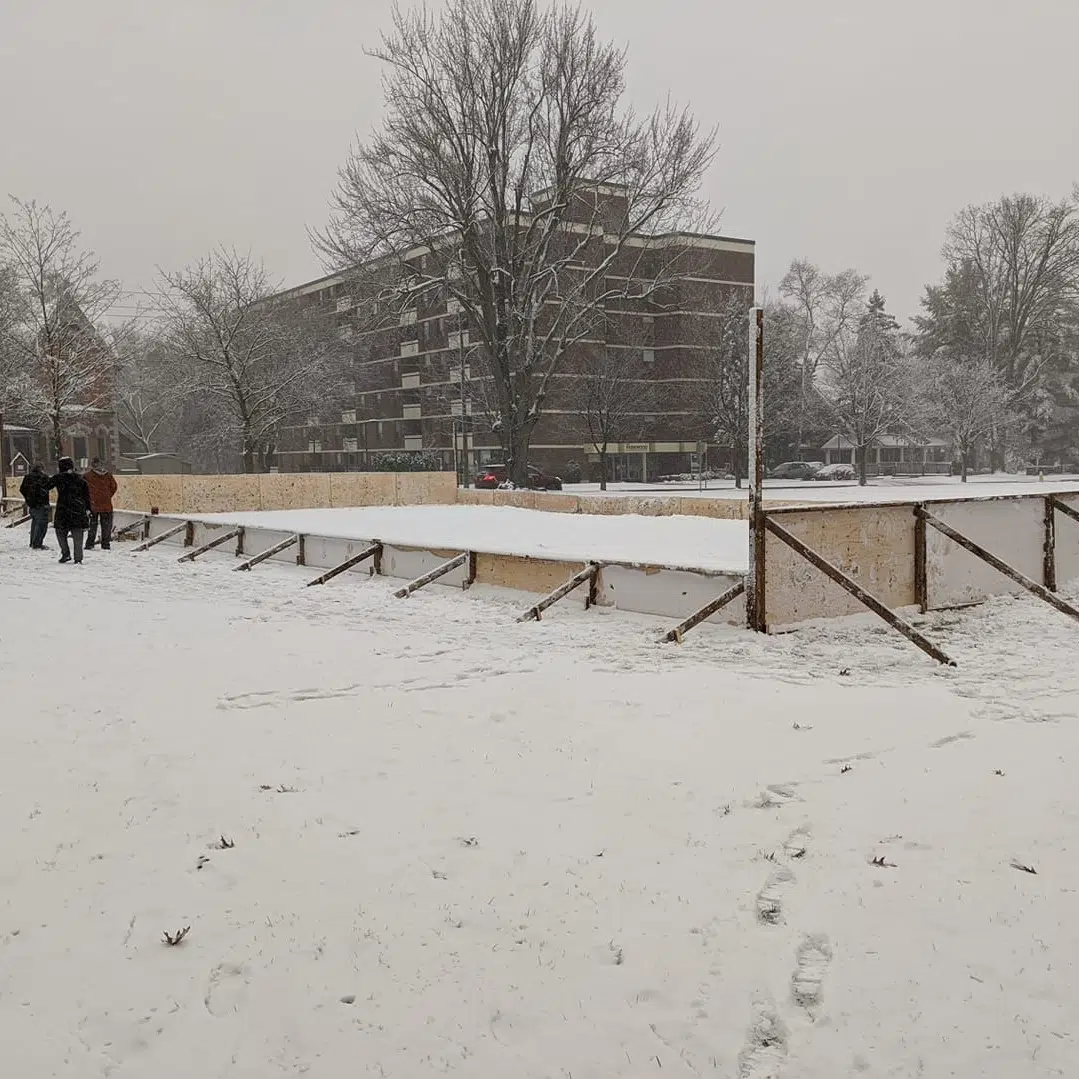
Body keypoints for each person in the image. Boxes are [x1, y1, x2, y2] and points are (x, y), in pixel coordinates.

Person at [47, 457, 91, 564]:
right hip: (78, 509)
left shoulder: (58, 478)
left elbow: (46, 486)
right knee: (77, 535)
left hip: (63, 509)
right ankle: (78, 557)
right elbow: (87, 495)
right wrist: (88, 508)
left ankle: (65, 553)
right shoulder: (80, 479)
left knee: (61, 532)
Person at [85, 457, 118, 550]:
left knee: (92, 525)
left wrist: (90, 498)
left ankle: (90, 543)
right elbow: (114, 487)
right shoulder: (108, 475)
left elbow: (83, 489)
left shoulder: (87, 476)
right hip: (106, 504)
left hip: (93, 504)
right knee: (106, 525)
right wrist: (107, 496)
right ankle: (106, 543)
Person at [19, 463, 51, 550]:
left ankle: (32, 542)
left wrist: (28, 499)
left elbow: (22, 489)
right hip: (42, 504)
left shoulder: (27, 477)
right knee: (41, 525)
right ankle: (37, 543)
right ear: (41, 469)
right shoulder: (44, 477)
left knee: (35, 523)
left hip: (32, 505)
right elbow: (49, 487)